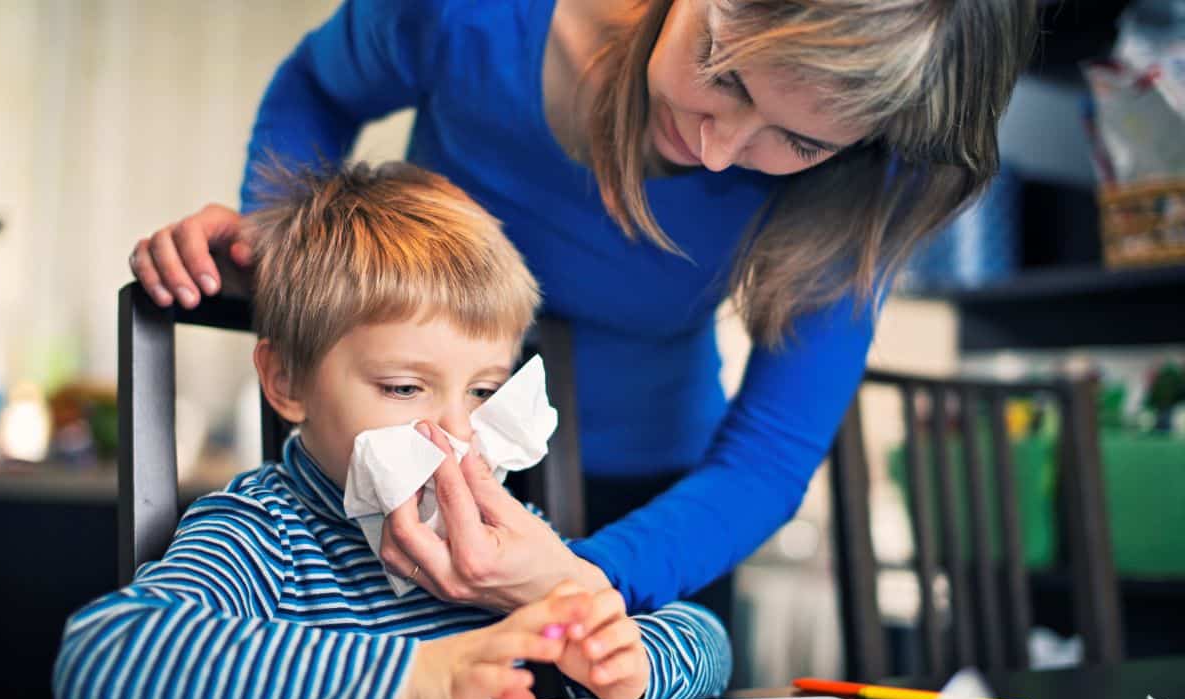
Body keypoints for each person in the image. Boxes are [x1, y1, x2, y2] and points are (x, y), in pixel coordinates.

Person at [128, 0, 1039, 619]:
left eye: (797, 141)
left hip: (654, 510)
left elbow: (767, 456)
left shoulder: (874, 174)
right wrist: (285, 240)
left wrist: (583, 584)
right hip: (396, 472)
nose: (719, 150)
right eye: (723, 72)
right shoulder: (473, 17)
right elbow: (318, 88)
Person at [55, 162, 732, 699]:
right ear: (287, 380)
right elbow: (104, 651)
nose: (458, 434)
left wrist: (632, 660)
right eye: (404, 387)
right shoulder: (266, 534)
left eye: (482, 389)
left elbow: (708, 636)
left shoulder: (496, 537)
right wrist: (408, 679)